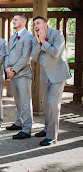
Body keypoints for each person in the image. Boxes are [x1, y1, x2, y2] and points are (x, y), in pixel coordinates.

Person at [31, 16, 71, 146]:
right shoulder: (36, 37)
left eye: (38, 23)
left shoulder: (57, 34)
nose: (36, 26)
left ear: (45, 24)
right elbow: (34, 57)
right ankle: (47, 128)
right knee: (47, 105)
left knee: (53, 105)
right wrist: (38, 43)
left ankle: (52, 137)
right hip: (45, 76)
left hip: (58, 75)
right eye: (34, 24)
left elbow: (55, 52)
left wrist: (44, 42)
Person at [5, 13, 33, 140]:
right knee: (18, 101)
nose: (13, 21)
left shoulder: (28, 37)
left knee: (26, 102)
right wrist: (7, 68)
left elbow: (26, 57)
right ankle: (19, 122)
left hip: (23, 73)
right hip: (12, 73)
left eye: (15, 19)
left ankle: (27, 129)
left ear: (23, 22)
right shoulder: (12, 37)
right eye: (13, 19)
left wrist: (14, 70)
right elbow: (7, 54)